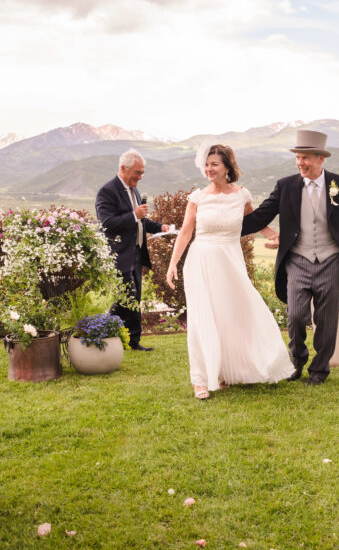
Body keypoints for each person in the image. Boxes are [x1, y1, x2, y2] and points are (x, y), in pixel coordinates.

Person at [165, 144, 294, 399]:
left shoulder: (241, 195)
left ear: (227, 167)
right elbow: (186, 232)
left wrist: (275, 235)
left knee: (233, 315)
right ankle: (200, 379)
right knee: (203, 318)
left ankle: (225, 372)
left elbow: (254, 221)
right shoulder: (197, 198)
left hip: (230, 261)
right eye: (207, 164)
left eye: (214, 164)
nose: (209, 168)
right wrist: (173, 263)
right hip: (200, 261)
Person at [241, 130, 339, 385]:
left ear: (321, 159)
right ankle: (296, 361)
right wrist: (227, 222)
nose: (300, 163)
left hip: (331, 260)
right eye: (298, 158)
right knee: (296, 315)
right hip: (298, 259)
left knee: (327, 320)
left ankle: (320, 370)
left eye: (305, 158)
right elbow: (261, 216)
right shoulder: (286, 186)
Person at [95, 149, 170, 352]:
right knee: (125, 299)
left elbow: (140, 221)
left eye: (142, 173)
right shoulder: (107, 191)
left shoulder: (134, 190)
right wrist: (133, 214)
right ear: (123, 168)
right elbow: (107, 224)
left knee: (133, 298)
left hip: (136, 253)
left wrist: (159, 227)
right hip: (119, 254)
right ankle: (100, 333)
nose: (140, 176)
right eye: (137, 172)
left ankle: (130, 340)